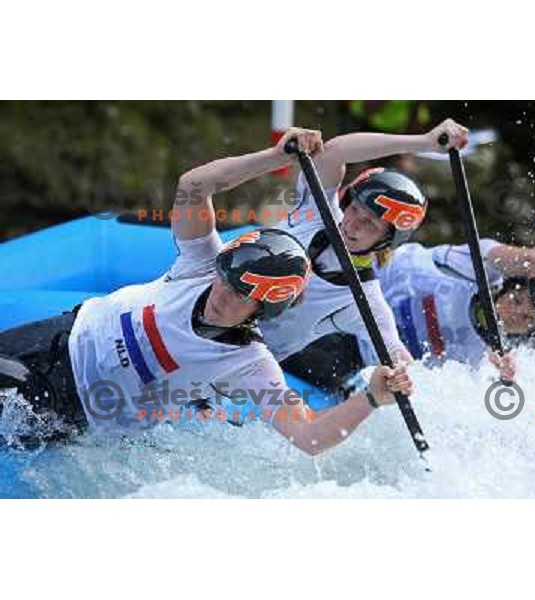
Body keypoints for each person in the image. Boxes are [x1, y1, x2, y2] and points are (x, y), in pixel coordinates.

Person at [0, 128, 411, 454]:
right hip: (60, 336)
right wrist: (274, 157)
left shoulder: (249, 363)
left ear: (262, 310)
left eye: (240, 295)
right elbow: (194, 184)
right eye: (227, 278)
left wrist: (372, 398)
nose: (222, 293)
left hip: (78, 408)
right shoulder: (201, 263)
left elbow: (309, 437)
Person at [259, 119, 473, 394]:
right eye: (356, 209)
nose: (353, 224)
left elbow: (397, 355)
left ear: (386, 241)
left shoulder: (365, 300)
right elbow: (335, 151)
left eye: (370, 224)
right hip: (198, 310)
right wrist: (424, 142)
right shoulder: (313, 211)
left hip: (235, 363)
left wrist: (401, 379)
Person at [369, 238, 535, 373]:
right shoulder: (476, 267)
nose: (513, 313)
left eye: (528, 319)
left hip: (358, 354)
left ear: (530, 333)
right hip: (359, 278)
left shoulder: (487, 362)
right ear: (511, 288)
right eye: (517, 301)